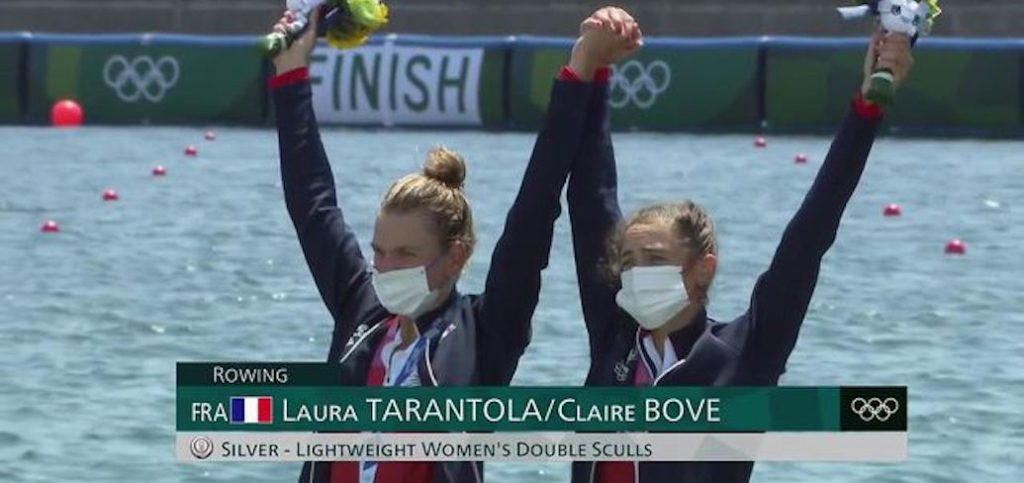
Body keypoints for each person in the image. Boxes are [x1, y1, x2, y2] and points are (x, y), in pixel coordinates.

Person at [267, 8, 638, 483]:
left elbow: (535, 209)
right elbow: (312, 202)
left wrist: (584, 69)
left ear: (456, 256)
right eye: (379, 251)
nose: (384, 267)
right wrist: (290, 70)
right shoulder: (361, 312)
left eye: (405, 254)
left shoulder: (487, 333)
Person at [565, 7, 915, 482]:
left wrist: (868, 106)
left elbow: (811, 233)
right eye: (628, 262)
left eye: (655, 259)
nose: (635, 274)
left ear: (703, 269)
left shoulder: (745, 354)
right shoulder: (615, 335)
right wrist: (595, 69)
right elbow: (591, 196)